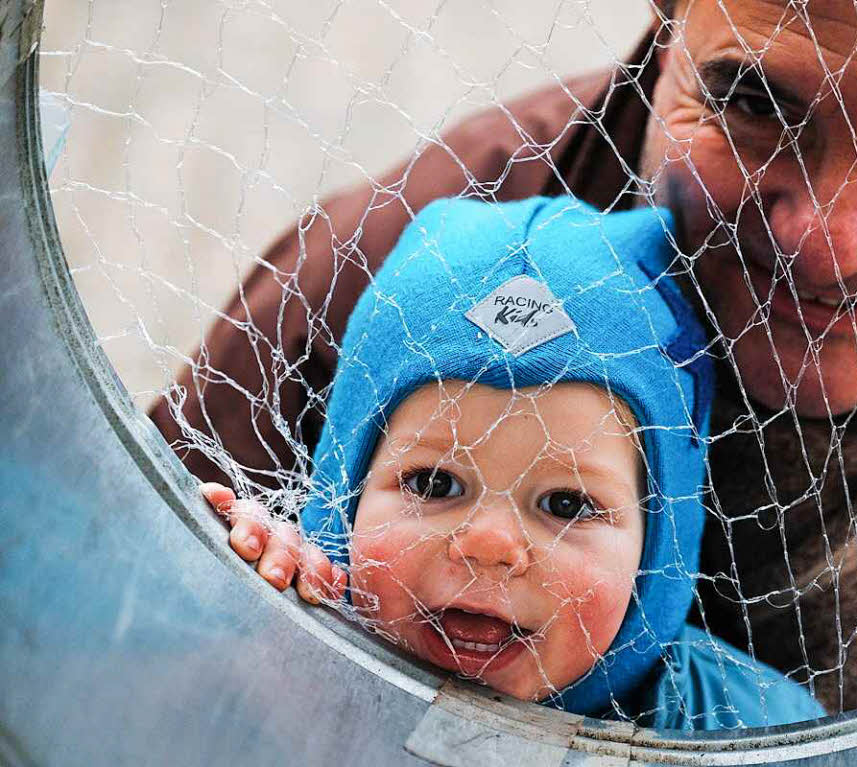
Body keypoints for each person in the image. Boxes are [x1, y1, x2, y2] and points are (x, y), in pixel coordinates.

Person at [151, 0, 857, 714]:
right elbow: (93, 633)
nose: (827, 244)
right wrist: (258, 605)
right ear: (669, 24)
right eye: (755, 104)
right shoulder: (403, 269)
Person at [202, 195, 824, 728]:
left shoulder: (745, 731)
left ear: (660, 543)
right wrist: (250, 598)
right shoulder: (290, 644)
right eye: (435, 482)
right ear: (344, 492)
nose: (491, 543)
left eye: (566, 503)